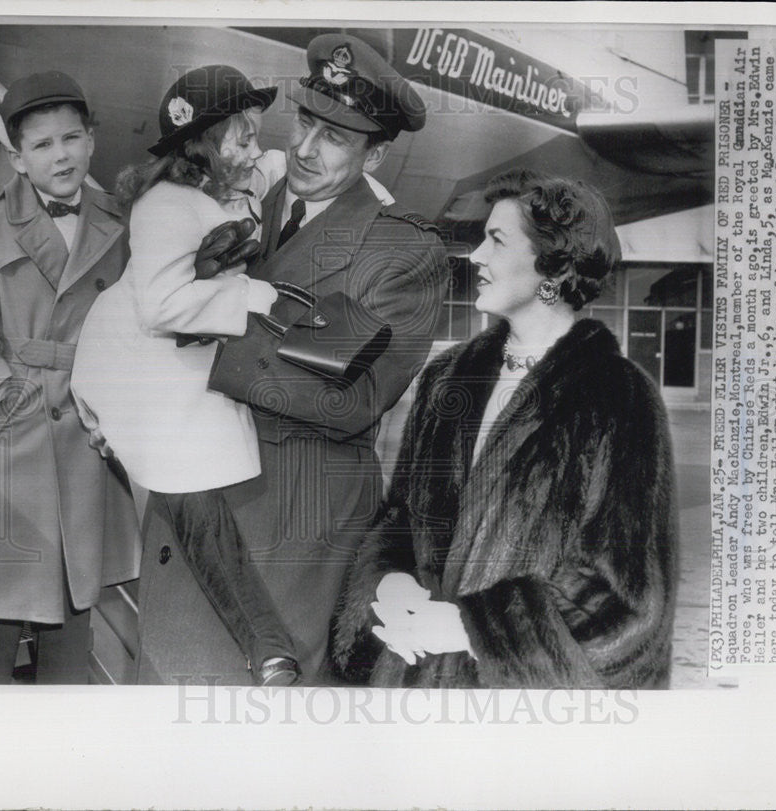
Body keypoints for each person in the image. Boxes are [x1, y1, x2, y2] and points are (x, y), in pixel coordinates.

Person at [134, 34, 449, 685]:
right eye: (306, 120)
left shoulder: (397, 251)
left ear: (378, 153)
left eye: (335, 136)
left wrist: (200, 347)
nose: (305, 148)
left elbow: (349, 399)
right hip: (189, 526)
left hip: (284, 553)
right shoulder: (242, 205)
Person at [331, 169, 679, 689]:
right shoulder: (448, 378)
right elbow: (402, 519)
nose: (475, 256)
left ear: (552, 266)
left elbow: (630, 601)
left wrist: (474, 628)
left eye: (495, 240)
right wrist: (390, 585)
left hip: (519, 714)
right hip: (416, 686)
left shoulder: (618, 396)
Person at [72, 65, 311, 685]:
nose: (255, 149)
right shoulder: (165, 207)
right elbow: (159, 308)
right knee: (191, 498)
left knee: (194, 499)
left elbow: (279, 166)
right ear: (203, 146)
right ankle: (265, 646)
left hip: (175, 361)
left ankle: (265, 646)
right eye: (242, 138)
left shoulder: (234, 175)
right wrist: (257, 296)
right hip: (132, 359)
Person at [0, 71, 139, 684]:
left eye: (71, 138)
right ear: (18, 159)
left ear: (92, 142)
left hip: (89, 435)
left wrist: (115, 416)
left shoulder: (120, 221)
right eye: (43, 145)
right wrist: (17, 414)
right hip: (10, 438)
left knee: (74, 614)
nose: (61, 155)